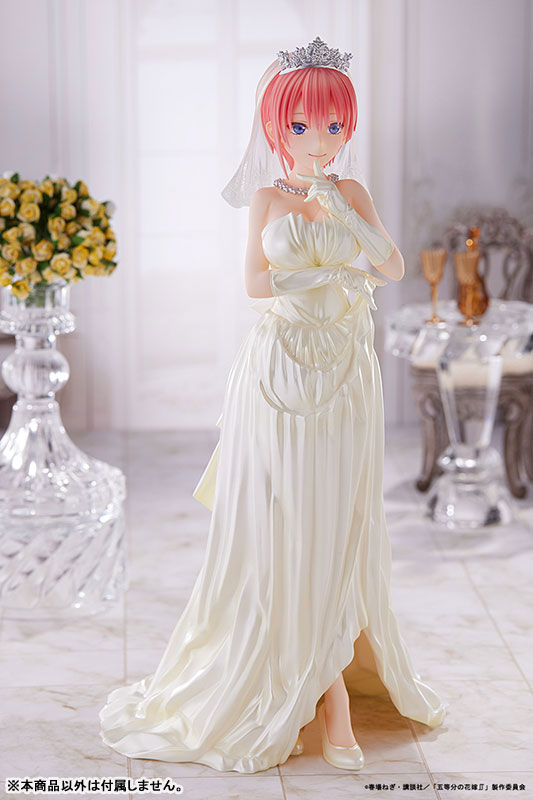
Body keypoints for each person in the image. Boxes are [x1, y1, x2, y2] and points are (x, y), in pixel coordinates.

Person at [98, 36, 448, 775]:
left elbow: (390, 265)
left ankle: (333, 681)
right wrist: (326, 280)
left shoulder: (351, 192)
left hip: (345, 373)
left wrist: (342, 213)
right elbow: (255, 285)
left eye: (333, 125)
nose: (318, 139)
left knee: (338, 521)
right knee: (284, 522)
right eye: (300, 125)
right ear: (275, 127)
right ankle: (323, 693)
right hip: (277, 374)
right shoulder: (266, 199)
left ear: (346, 128)